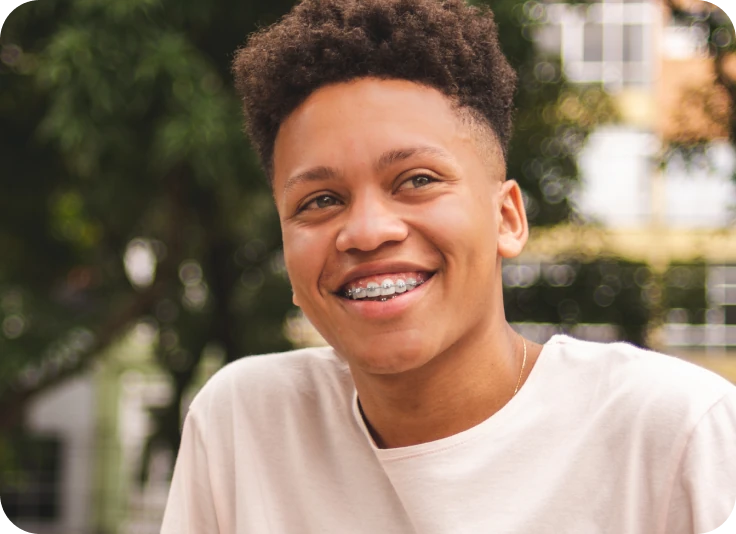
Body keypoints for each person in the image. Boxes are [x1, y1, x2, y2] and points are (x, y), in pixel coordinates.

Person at [160, 0, 736, 532]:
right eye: (320, 200)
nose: (367, 231)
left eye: (416, 180)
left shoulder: (675, 433)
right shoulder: (245, 424)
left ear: (507, 218)